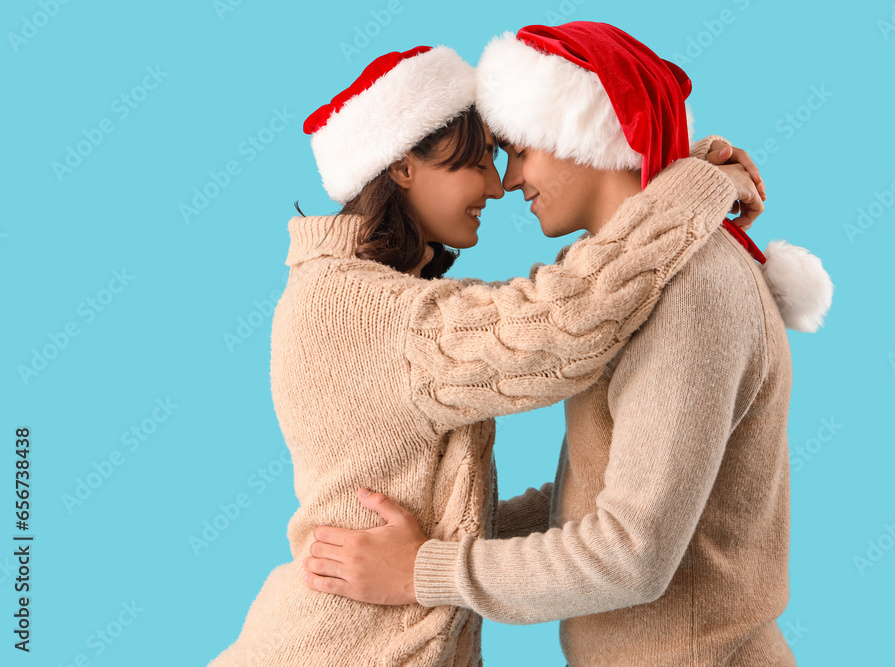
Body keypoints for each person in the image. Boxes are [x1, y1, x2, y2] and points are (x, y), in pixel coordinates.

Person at [210, 41, 764, 666]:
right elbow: (566, 318)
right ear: (402, 167)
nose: (498, 187)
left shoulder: (389, 300)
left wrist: (430, 562)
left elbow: (459, 512)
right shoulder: (354, 307)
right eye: (478, 163)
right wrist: (691, 184)